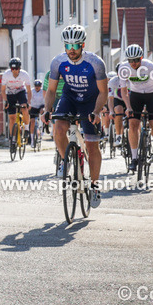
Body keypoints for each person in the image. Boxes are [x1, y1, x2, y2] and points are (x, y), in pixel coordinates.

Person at [43, 24, 107, 207]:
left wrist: (96, 112)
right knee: (58, 129)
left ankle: (94, 186)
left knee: (92, 145)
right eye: (68, 45)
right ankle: (66, 161)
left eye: (76, 45)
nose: (72, 50)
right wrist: (47, 110)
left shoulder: (95, 63)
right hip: (69, 98)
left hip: (90, 101)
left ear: (82, 45)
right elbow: (51, 90)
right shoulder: (58, 62)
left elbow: (104, 92)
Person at [117, 44, 153, 173]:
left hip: (152, 94)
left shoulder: (150, 67)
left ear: (141, 58)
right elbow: (124, 90)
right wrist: (128, 107)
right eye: (130, 60)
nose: (133, 63)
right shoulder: (123, 68)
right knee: (133, 124)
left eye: (136, 60)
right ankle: (134, 158)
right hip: (136, 95)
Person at [1, 57, 31, 147]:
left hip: (20, 92)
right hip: (10, 94)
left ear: (19, 68)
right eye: (12, 69)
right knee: (12, 118)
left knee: (24, 108)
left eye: (16, 68)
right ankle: (13, 138)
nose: (14, 70)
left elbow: (29, 90)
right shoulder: (6, 74)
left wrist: (29, 102)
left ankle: (26, 128)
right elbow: (3, 90)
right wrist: (5, 101)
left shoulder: (24, 75)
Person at [28, 79, 46, 146]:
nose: (37, 87)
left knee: (42, 114)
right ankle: (32, 139)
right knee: (32, 121)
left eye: (38, 86)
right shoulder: (31, 91)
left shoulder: (43, 92)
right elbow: (28, 98)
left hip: (41, 106)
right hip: (33, 107)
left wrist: (43, 108)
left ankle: (42, 128)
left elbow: (46, 100)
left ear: (41, 86)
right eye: (36, 86)